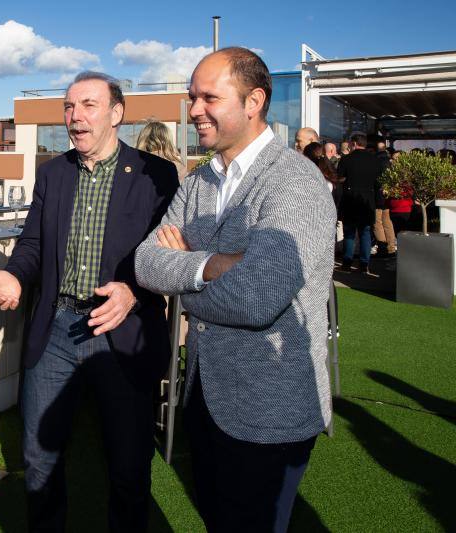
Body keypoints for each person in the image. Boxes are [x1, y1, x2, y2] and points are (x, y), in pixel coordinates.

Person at [135, 47, 336, 533]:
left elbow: (256, 299)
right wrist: (217, 265)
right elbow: (145, 262)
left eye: (209, 97)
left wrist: (183, 267)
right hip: (204, 396)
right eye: (191, 97)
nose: (194, 110)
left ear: (254, 102)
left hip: (270, 409)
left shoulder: (294, 181)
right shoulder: (201, 178)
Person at [0, 71, 178, 532]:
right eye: (69, 107)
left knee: (128, 463)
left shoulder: (155, 174)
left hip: (122, 331)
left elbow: (167, 256)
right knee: (39, 455)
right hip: (58, 328)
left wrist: (133, 290)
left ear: (116, 114)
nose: (75, 117)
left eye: (88, 105)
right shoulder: (53, 173)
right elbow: (32, 246)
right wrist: (13, 275)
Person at [338, 133, 382, 273]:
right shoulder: (375, 160)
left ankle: (347, 263)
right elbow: (378, 182)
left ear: (354, 144)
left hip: (350, 199)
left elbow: (340, 177)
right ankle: (364, 265)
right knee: (365, 232)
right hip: (368, 200)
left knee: (349, 232)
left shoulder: (347, 159)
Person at [373, 141, 396, 256]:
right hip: (388, 196)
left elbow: (375, 181)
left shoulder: (375, 162)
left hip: (377, 196)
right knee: (387, 221)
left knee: (377, 222)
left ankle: (382, 248)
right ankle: (391, 246)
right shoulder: (390, 162)